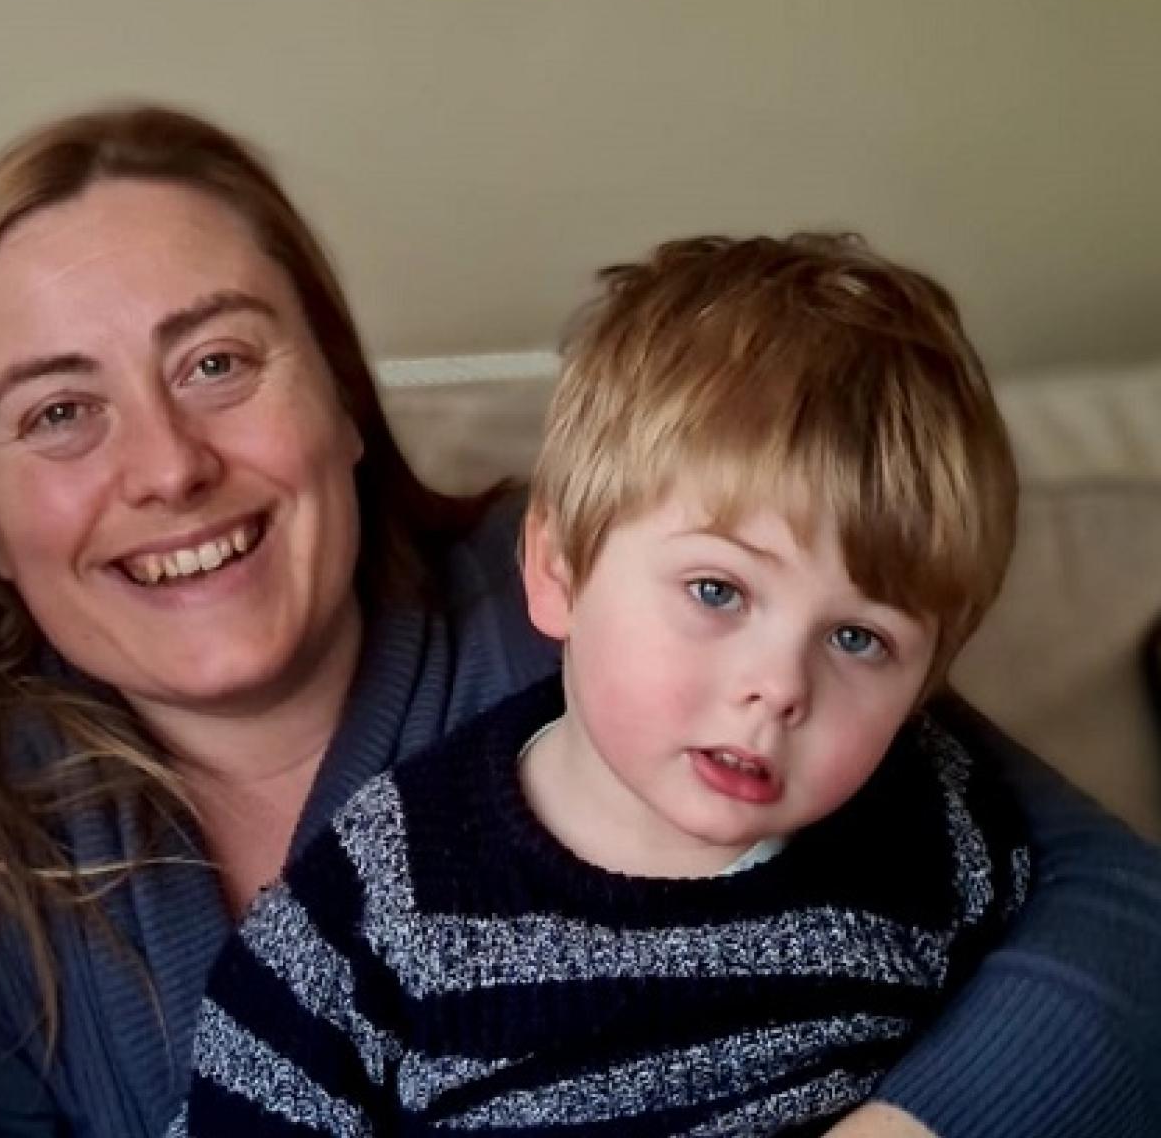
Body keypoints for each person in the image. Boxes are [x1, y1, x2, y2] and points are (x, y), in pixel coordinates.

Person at [0, 104, 1161, 1137]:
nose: (166, 465)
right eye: (58, 413)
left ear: (342, 391)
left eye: (217, 362)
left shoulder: (631, 612)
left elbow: (1122, 912)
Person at [176, 233, 1031, 1136]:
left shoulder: (940, 830)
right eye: (718, 591)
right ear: (558, 571)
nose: (781, 687)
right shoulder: (381, 901)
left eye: (859, 638)